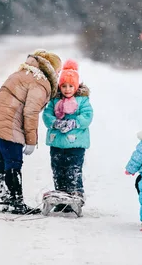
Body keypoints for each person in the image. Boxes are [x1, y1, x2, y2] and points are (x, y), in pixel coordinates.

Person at [0, 49, 62, 215]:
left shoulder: (23, 72)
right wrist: (31, 141)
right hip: (6, 120)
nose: (58, 76)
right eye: (58, 71)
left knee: (0, 160)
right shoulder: (41, 82)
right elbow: (30, 112)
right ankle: (16, 203)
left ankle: (7, 200)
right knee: (13, 162)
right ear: (51, 69)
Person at [42, 59, 93, 212]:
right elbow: (47, 115)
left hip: (75, 144)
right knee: (58, 170)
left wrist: (74, 123)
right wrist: (55, 123)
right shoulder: (54, 100)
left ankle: (76, 196)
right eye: (64, 86)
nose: (67, 89)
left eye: (71, 86)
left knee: (73, 170)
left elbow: (87, 116)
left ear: (76, 86)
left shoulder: (82, 100)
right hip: (57, 143)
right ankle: (61, 198)